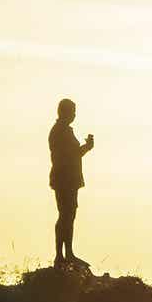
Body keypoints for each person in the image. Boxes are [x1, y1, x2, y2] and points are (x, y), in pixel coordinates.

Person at [48, 98, 94, 270]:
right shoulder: (60, 131)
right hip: (64, 178)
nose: (74, 115)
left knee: (69, 215)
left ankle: (68, 253)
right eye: (72, 111)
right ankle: (61, 255)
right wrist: (86, 148)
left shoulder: (64, 130)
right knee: (65, 215)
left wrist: (86, 148)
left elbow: (72, 154)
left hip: (69, 178)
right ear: (64, 112)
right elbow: (69, 156)